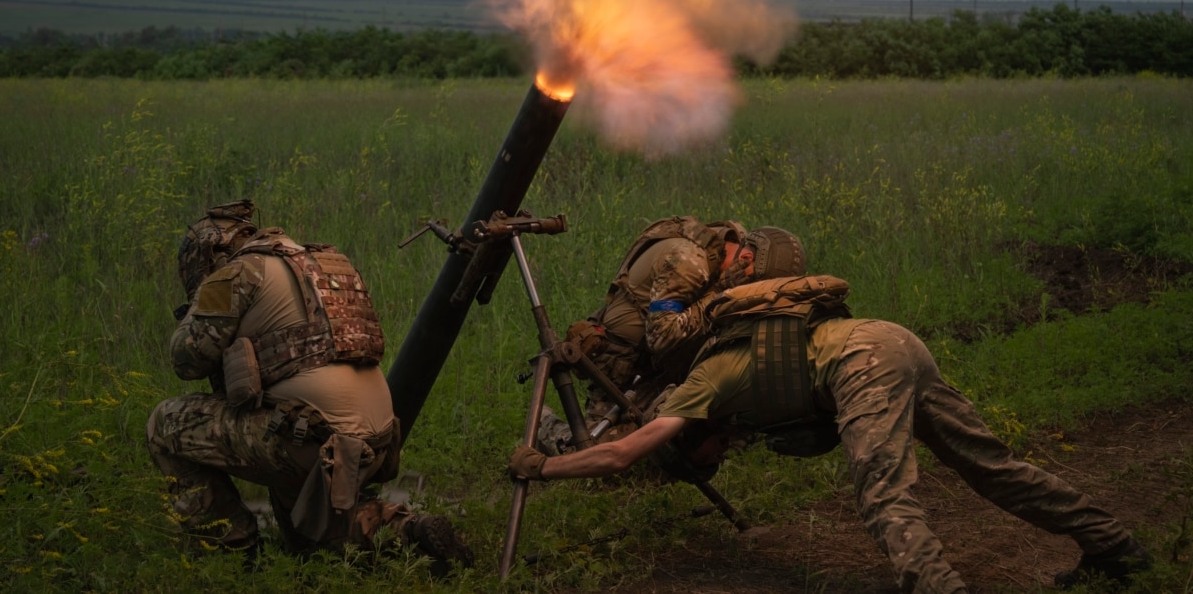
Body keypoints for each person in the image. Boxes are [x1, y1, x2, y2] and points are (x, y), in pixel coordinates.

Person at [510, 227, 1151, 593]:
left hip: (862, 368)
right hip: (894, 340)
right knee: (990, 465)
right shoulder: (755, 344)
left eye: (702, 453)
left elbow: (623, 452)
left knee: (884, 497)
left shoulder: (704, 381)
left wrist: (541, 468)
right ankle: (1112, 543)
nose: (715, 456)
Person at [146, 199, 472, 573]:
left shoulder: (236, 272)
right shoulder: (323, 262)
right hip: (375, 439)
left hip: (311, 439)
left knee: (165, 424)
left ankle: (230, 555)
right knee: (309, 538)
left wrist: (195, 307)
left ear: (209, 255)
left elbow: (185, 360)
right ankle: (409, 532)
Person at [538, 217, 805, 455]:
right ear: (746, 260)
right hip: (628, 364)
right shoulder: (689, 262)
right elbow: (662, 337)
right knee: (594, 453)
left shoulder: (735, 250)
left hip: (668, 360)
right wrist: (722, 296)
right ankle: (544, 423)